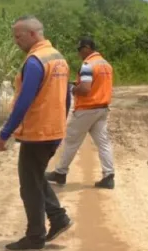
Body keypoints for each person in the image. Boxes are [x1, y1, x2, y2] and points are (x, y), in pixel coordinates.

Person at [0, 16, 73, 251]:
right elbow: (67, 97)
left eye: (18, 36)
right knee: (36, 177)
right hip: (52, 131)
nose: (15, 41)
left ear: (32, 34)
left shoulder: (34, 61)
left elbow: (23, 101)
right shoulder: (58, 58)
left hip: (37, 133)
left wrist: (5, 133)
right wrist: (60, 124)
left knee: (29, 185)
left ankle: (35, 236)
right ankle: (58, 218)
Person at [46, 37, 116, 189]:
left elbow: (84, 89)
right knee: (103, 143)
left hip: (87, 109)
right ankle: (109, 176)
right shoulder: (106, 64)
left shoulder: (87, 65)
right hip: (102, 108)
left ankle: (60, 172)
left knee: (71, 140)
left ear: (86, 48)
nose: (78, 53)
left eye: (79, 50)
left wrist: (73, 89)